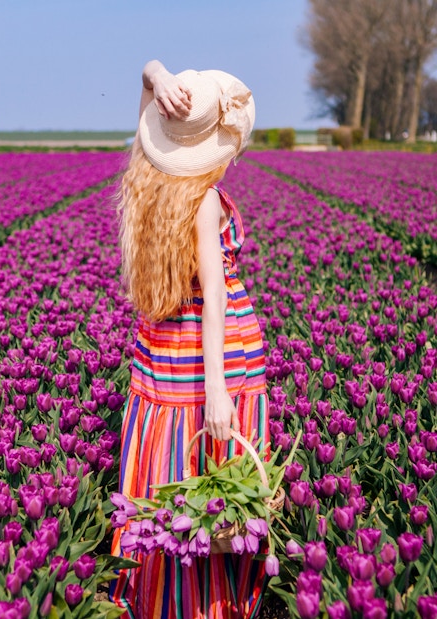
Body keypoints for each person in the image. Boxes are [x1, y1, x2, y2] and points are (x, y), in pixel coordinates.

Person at [110, 59, 270, 619]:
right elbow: (216, 302)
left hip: (160, 356)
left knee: (167, 466)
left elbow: (143, 122)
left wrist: (153, 73)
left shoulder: (148, 184)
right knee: (214, 480)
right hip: (215, 357)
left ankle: (155, 594)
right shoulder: (202, 199)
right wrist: (220, 391)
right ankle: (208, 604)